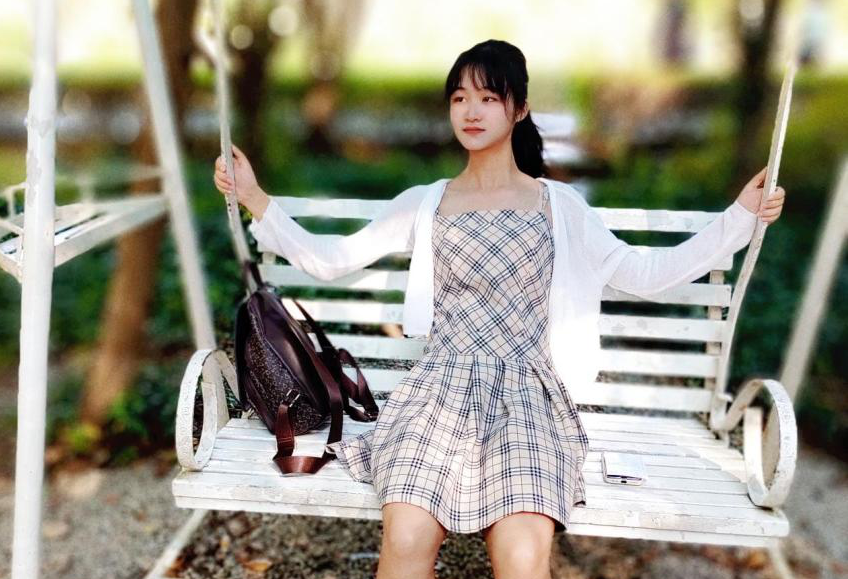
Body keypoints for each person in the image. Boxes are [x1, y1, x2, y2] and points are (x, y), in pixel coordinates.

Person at [214, 39, 785, 579]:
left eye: (489, 97)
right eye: (460, 98)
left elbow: (646, 272)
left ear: (520, 110)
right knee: (406, 541)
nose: (471, 111)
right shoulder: (427, 203)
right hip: (437, 396)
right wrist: (255, 197)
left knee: (521, 556)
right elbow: (332, 259)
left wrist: (739, 218)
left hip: (528, 399)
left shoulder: (558, 206)